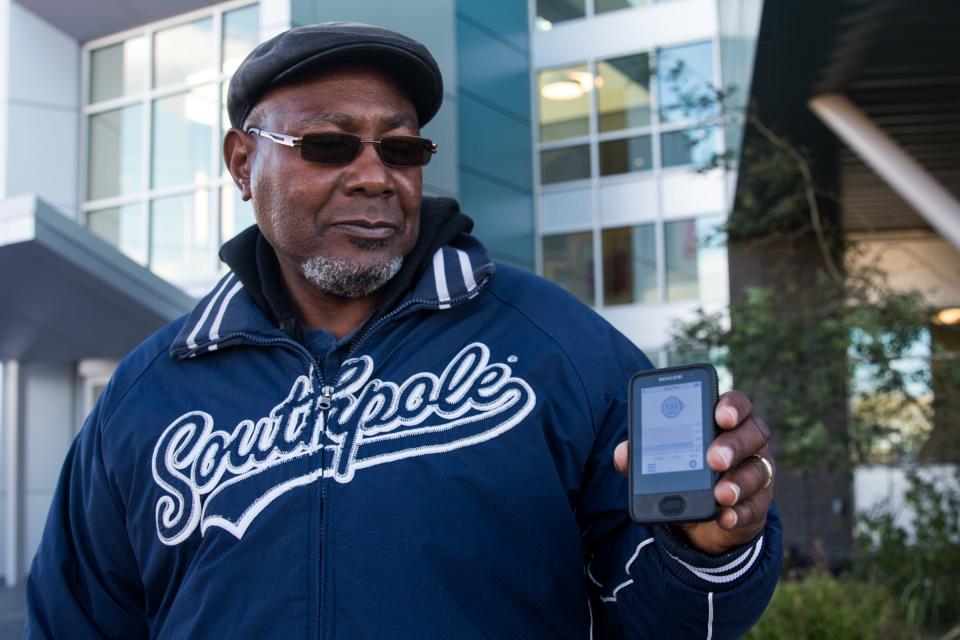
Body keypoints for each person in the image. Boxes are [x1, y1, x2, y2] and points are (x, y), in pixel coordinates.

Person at [26, 22, 781, 639]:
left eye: (401, 148)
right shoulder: (148, 391)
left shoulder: (558, 346)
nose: (374, 175)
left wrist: (708, 551)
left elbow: (667, 623)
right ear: (241, 160)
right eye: (328, 145)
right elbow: (77, 621)